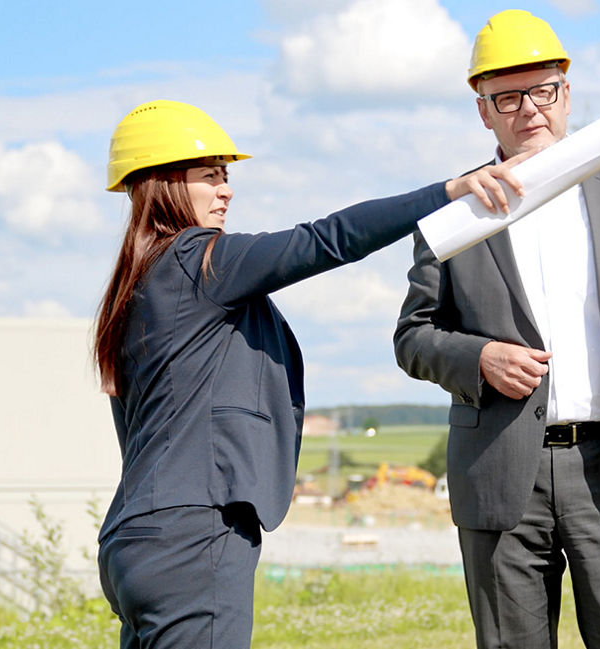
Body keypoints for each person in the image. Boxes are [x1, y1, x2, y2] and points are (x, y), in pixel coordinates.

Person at [93, 99, 526, 649]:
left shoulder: (133, 288)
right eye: (209, 177)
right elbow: (327, 239)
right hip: (192, 537)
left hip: (133, 537)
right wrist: (447, 193)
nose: (226, 191)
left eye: (226, 177)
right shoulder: (200, 261)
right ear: (164, 185)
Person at [393, 10, 600, 649]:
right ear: (483, 111)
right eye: (508, 98)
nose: (529, 110)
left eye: (543, 91)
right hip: (500, 473)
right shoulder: (455, 212)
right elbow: (413, 336)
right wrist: (479, 358)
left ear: (567, 92)